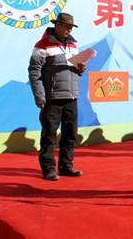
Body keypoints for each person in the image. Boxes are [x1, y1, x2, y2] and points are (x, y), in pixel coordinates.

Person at [28, 12, 86, 181]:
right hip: (52, 97)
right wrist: (39, 96)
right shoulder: (42, 45)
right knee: (49, 135)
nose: (69, 30)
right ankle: (48, 169)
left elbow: (73, 69)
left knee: (70, 134)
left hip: (71, 96)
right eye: (66, 26)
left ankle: (66, 166)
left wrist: (80, 69)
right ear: (57, 25)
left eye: (71, 27)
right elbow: (34, 71)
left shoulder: (73, 45)